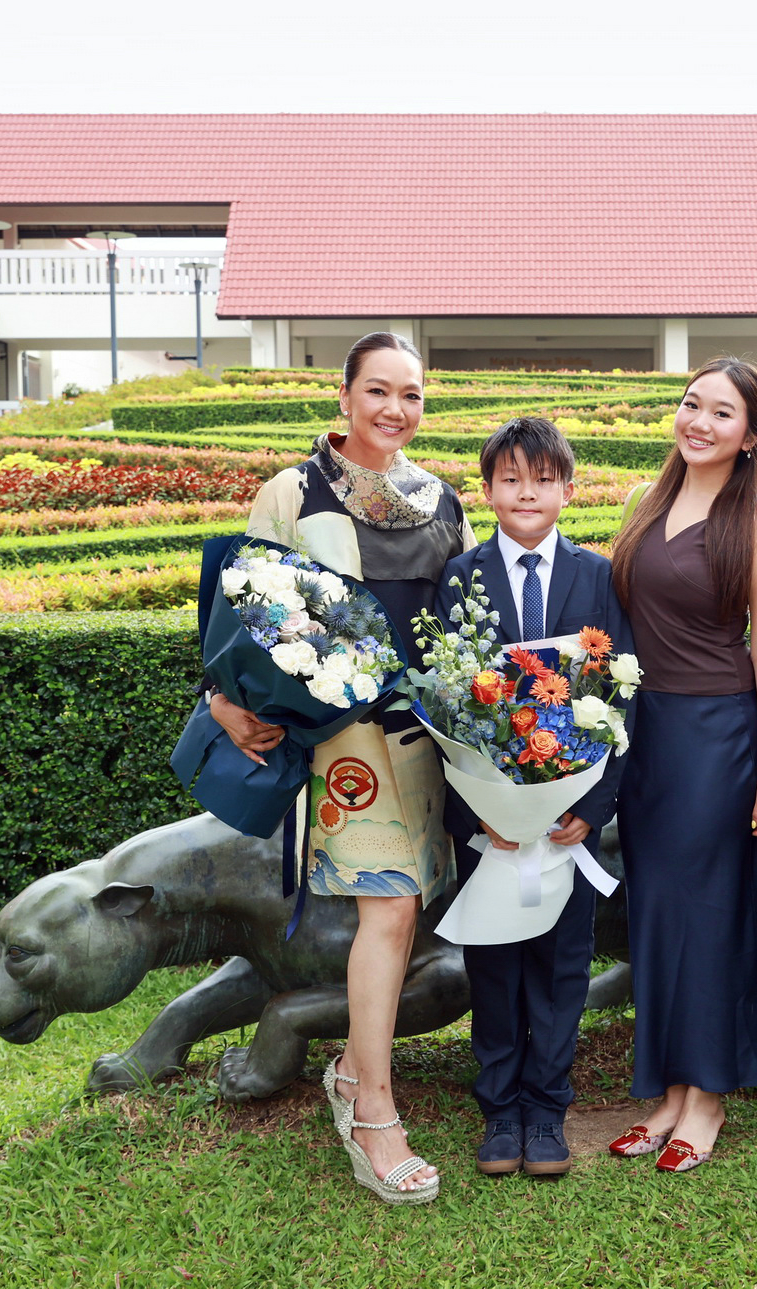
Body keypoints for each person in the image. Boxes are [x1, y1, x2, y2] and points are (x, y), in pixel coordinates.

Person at [208, 331, 472, 1205]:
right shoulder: (294, 491)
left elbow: (464, 618)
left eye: (412, 394)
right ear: (346, 396)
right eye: (379, 391)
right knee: (390, 909)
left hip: (424, 740)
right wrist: (220, 699)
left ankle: (355, 1072)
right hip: (343, 742)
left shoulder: (441, 499)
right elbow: (242, 608)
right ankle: (373, 1113)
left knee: (407, 910)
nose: (396, 408)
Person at [605, 357, 757, 1174]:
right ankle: (668, 1090)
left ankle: (708, 1095)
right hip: (644, 737)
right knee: (658, 913)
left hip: (718, 737)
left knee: (711, 916)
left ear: (751, 436)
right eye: (693, 404)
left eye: (723, 413)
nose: (700, 421)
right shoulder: (643, 502)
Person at [436, 416, 636, 1181]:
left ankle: (548, 1107)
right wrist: (478, 808)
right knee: (493, 959)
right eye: (512, 479)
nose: (527, 493)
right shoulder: (461, 577)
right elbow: (447, 701)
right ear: (487, 490)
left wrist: (595, 805)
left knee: (561, 964)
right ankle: (500, 1108)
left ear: (568, 490)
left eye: (543, 479)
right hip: (489, 818)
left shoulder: (598, 575)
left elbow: (622, 694)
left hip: (568, 819)